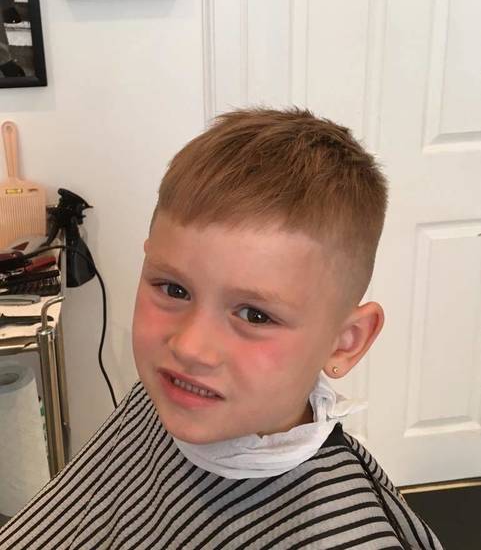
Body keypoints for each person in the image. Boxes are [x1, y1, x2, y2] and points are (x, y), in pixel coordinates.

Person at [0, 107, 444, 549]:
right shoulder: (172, 396)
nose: (190, 347)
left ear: (346, 343)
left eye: (255, 315)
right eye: (174, 289)